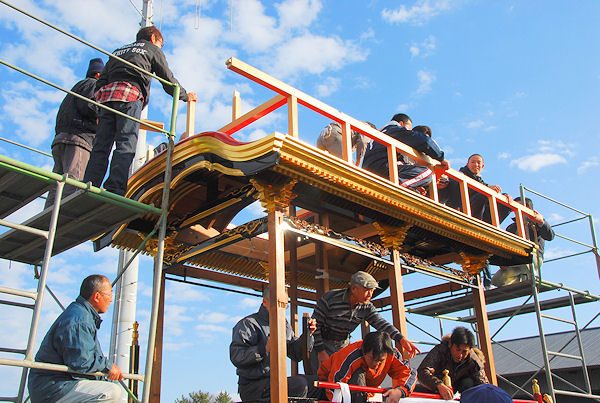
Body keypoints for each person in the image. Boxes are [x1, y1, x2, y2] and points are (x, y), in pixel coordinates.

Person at [83, 26, 195, 196]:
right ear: (153, 38)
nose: (160, 48)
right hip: (129, 94)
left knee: (101, 145)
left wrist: (99, 105)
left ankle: (89, 184)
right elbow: (167, 78)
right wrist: (185, 95)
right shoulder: (151, 49)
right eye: (161, 44)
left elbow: (102, 80)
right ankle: (115, 188)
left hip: (107, 97)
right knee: (126, 143)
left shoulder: (118, 51)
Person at [28, 275, 123, 402]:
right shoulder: (80, 320)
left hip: (60, 384)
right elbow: (81, 361)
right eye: (109, 294)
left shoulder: (82, 315)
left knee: (112, 388)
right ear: (97, 296)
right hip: (53, 388)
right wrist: (108, 366)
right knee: (111, 392)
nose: (111, 299)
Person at [310, 271, 420, 373]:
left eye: (372, 290)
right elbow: (314, 325)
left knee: (341, 377)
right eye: (367, 290)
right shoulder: (330, 299)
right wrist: (320, 351)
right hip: (321, 343)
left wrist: (401, 339)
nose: (370, 294)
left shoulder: (367, 307)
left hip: (342, 345)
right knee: (319, 377)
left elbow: (381, 323)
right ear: (354, 289)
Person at [230, 286, 321, 401]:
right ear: (265, 302)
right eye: (279, 303)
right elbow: (237, 357)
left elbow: (296, 353)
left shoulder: (284, 325)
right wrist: (264, 349)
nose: (282, 308)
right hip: (253, 386)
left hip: (276, 382)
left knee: (319, 384)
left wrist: (308, 334)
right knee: (300, 384)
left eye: (285, 305)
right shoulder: (248, 324)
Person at [45, 58, 105, 208]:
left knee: (57, 185)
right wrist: (104, 117)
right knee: (74, 181)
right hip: (79, 140)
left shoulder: (75, 88)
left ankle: (48, 217)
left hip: (61, 140)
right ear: (98, 74)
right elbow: (90, 105)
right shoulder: (93, 84)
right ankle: (65, 217)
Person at [318, 331, 417, 403]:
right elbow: (334, 386)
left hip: (363, 395)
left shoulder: (392, 355)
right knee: (358, 374)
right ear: (364, 351)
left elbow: (408, 373)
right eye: (372, 358)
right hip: (326, 387)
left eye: (380, 361)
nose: (375, 364)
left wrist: (399, 391)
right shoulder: (350, 355)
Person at [362, 113, 449, 191]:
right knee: (427, 173)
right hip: (385, 169)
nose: (408, 132)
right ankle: (395, 188)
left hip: (370, 171)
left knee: (416, 189)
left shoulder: (379, 134)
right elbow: (424, 141)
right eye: (408, 129)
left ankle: (405, 187)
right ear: (401, 124)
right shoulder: (394, 129)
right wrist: (441, 157)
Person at [492, 197, 555, 287]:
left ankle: (529, 275)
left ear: (528, 208)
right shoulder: (511, 227)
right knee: (497, 280)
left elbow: (550, 236)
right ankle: (525, 277)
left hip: (533, 258)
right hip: (515, 261)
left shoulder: (535, 223)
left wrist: (541, 222)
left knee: (523, 257)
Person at [417, 326, 488, 400]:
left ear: (470, 350)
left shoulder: (474, 361)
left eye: (464, 352)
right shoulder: (440, 351)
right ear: (450, 344)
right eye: (458, 349)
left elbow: (483, 384)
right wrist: (438, 385)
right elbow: (422, 371)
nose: (460, 355)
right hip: (436, 390)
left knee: (468, 382)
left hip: (460, 392)